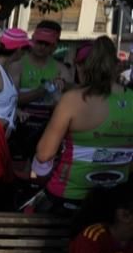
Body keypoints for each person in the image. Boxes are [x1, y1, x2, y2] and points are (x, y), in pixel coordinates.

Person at [33, 37, 133, 215]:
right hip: (116, 204)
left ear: (84, 66)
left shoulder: (72, 100)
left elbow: (44, 154)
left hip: (68, 197)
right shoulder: (131, 99)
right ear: (116, 65)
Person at [10, 20, 69, 174]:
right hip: (19, 129)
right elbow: (12, 100)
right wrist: (42, 90)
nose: (41, 46)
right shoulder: (18, 64)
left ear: (54, 46)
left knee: (41, 177)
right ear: (32, 40)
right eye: (39, 42)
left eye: (46, 44)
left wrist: (64, 88)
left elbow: (70, 103)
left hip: (48, 132)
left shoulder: (61, 69)